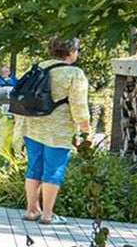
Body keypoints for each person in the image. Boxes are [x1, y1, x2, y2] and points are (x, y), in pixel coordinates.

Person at [19, 38, 91, 225]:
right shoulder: (74, 74)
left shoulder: (37, 67)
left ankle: (31, 210)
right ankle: (47, 215)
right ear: (71, 51)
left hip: (32, 126)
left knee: (34, 168)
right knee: (53, 170)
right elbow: (79, 105)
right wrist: (85, 130)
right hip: (58, 131)